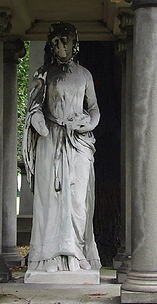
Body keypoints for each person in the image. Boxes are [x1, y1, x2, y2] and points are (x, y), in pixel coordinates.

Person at [22, 22, 101, 273]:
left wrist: (87, 123)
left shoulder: (85, 75)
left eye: (65, 40)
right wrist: (38, 122)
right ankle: (48, 258)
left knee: (78, 201)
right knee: (50, 199)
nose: (61, 46)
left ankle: (77, 253)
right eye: (55, 42)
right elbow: (33, 106)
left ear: (75, 44)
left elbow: (94, 108)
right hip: (50, 141)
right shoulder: (42, 74)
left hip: (78, 143)